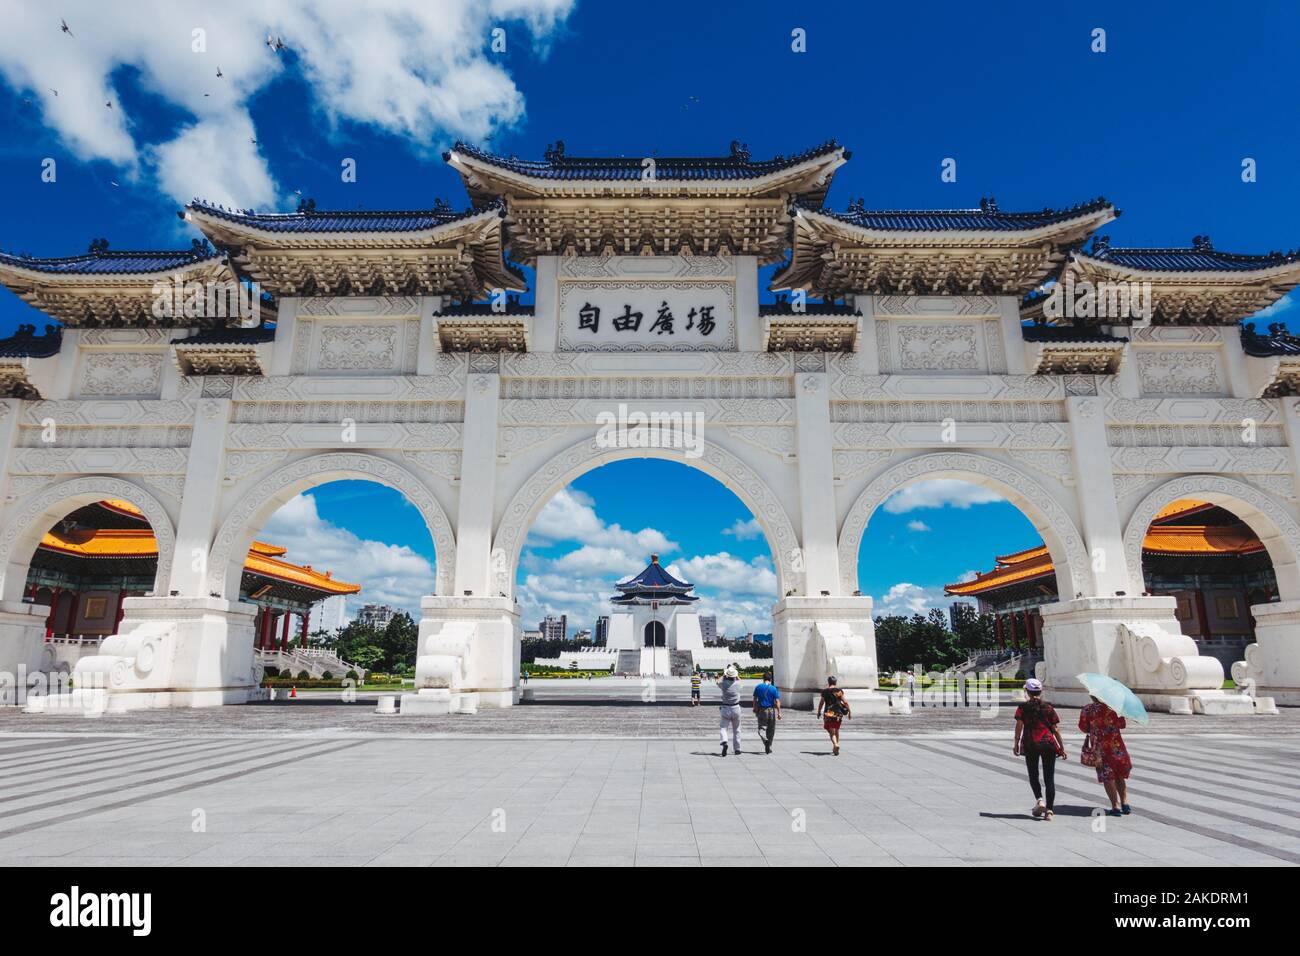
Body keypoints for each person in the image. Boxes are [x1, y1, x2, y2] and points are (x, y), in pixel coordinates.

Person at [1012, 677, 1065, 821]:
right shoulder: (1048, 707)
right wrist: (1061, 746)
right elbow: (1055, 728)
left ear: (1027, 692)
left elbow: (1019, 726)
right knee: (1049, 778)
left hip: (1031, 743)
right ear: (1040, 691)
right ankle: (1049, 812)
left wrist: (1016, 743)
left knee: (1033, 775)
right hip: (1048, 743)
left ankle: (1040, 800)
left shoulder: (1022, 708)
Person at [1079, 695, 1133, 817]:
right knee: (1119, 774)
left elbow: (1083, 727)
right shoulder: (1115, 708)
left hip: (1100, 748)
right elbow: (1122, 724)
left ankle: (1115, 805)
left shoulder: (1088, 709)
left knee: (1108, 776)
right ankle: (1125, 803)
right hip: (1116, 746)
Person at [816, 675, 851, 755]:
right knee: (836, 730)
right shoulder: (839, 691)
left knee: (831, 732)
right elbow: (845, 702)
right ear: (835, 682)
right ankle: (835, 749)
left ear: (828, 683)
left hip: (829, 714)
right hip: (838, 713)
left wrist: (818, 711)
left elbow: (821, 702)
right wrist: (849, 712)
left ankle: (835, 744)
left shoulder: (825, 691)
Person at [752, 670, 781, 754]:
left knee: (761, 728)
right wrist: (779, 712)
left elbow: (754, 699)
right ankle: (770, 746)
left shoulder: (758, 687)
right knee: (771, 729)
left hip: (762, 710)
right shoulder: (773, 688)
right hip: (771, 710)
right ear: (770, 679)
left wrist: (754, 708)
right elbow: (777, 701)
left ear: (763, 679)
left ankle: (766, 741)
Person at [716, 664, 743, 756]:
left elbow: (717, 681)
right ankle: (737, 749)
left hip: (725, 707)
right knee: (737, 730)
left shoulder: (723, 684)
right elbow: (740, 680)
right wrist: (735, 674)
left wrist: (724, 675)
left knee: (723, 728)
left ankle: (724, 741)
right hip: (736, 708)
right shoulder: (738, 684)